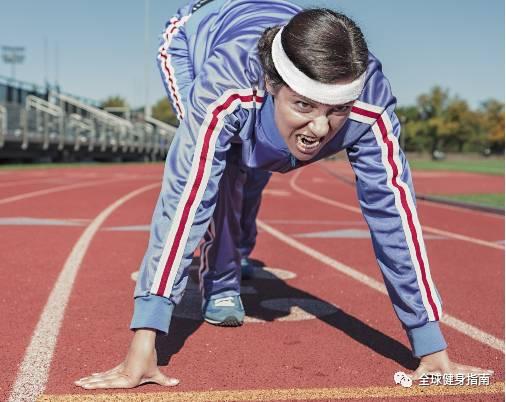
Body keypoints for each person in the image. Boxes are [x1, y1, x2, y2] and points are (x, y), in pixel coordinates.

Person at [75, 0, 493, 389]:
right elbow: (186, 197)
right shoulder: (227, 85)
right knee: (221, 171)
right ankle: (221, 279)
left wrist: (431, 346)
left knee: (260, 162)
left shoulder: (371, 105)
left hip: (272, 42)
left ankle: (239, 245)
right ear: (275, 85)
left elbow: (395, 217)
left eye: (336, 111)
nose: (320, 129)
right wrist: (145, 340)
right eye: (304, 106)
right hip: (194, 37)